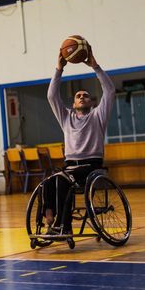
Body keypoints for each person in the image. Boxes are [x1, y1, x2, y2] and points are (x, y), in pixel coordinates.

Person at [44, 44, 115, 234]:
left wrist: (95, 66)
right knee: (49, 182)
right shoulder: (66, 117)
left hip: (91, 166)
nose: (82, 97)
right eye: (78, 96)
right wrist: (59, 69)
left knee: (64, 181)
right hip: (70, 165)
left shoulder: (98, 116)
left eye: (85, 95)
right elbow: (51, 96)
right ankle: (49, 219)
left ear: (91, 102)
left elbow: (109, 91)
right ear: (73, 103)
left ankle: (64, 227)